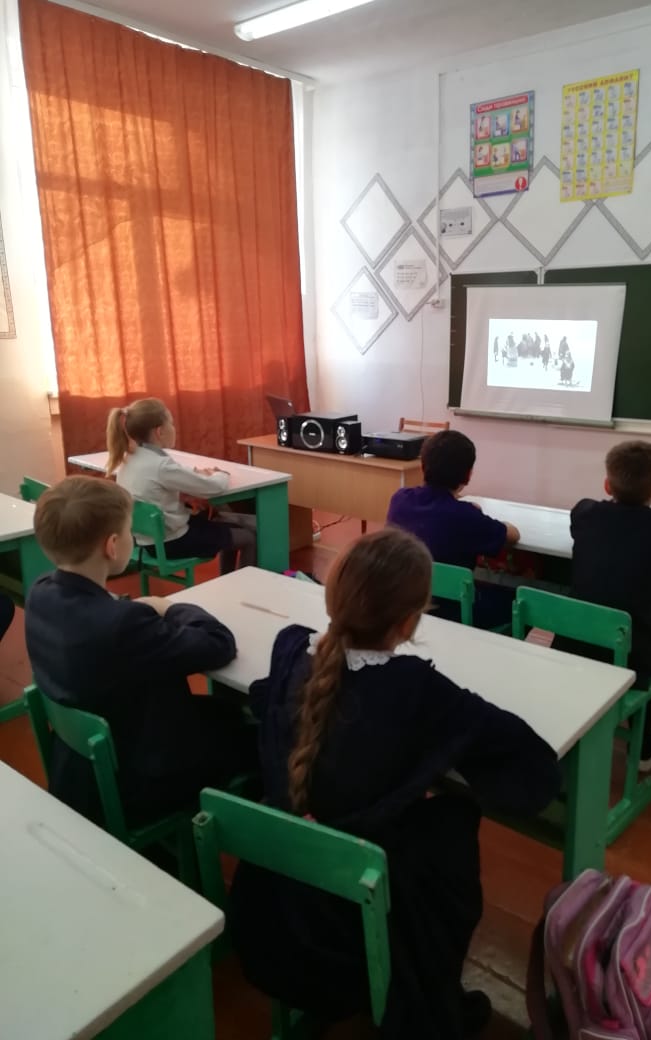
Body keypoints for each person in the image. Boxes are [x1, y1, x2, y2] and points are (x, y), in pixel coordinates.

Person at [229, 528, 560, 1039]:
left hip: (271, 913)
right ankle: (432, 991)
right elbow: (528, 759)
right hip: (349, 923)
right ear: (408, 622)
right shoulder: (417, 689)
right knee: (450, 822)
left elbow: (263, 697)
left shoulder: (292, 650)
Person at [24, 476, 256, 824]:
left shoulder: (40, 593)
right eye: (130, 531)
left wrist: (132, 610)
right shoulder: (122, 624)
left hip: (80, 763)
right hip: (141, 775)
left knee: (222, 713)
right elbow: (218, 644)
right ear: (112, 545)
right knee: (260, 734)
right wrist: (168, 607)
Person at [555, 441, 651, 771]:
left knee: (612, 630)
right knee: (638, 638)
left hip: (575, 643)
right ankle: (643, 746)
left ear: (607, 485)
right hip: (634, 654)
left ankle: (567, 725)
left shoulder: (585, 513)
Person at [386, 430, 520, 629]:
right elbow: (512, 535)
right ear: (468, 475)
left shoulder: (400, 499)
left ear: (422, 466)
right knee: (521, 602)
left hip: (406, 605)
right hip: (453, 611)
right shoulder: (466, 516)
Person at [106, 397, 255, 574]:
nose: (173, 428)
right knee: (248, 537)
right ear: (160, 431)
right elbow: (214, 487)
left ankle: (228, 578)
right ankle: (246, 583)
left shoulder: (130, 458)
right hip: (173, 542)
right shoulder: (160, 466)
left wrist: (195, 474)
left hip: (148, 539)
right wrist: (221, 474)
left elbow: (172, 475)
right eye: (171, 423)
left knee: (223, 525)